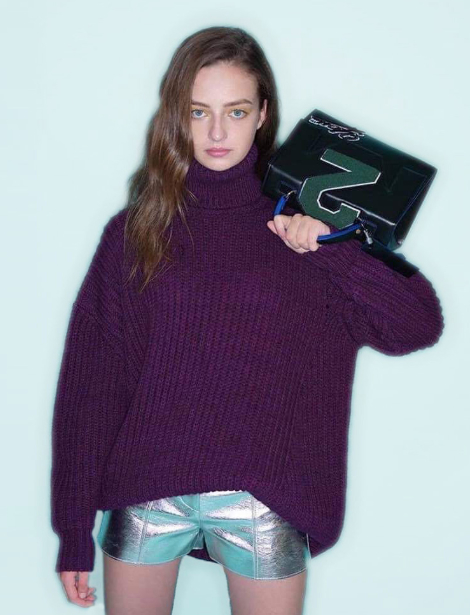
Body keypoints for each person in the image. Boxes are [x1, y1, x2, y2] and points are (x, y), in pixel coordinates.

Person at [50, 26, 445, 614]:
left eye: (235, 111)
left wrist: (331, 249)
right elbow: (91, 386)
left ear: (262, 114)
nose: (216, 133)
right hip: (146, 492)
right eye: (198, 112)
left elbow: (417, 327)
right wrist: (72, 529)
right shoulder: (137, 231)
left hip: (265, 500)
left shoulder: (308, 226)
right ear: (175, 115)